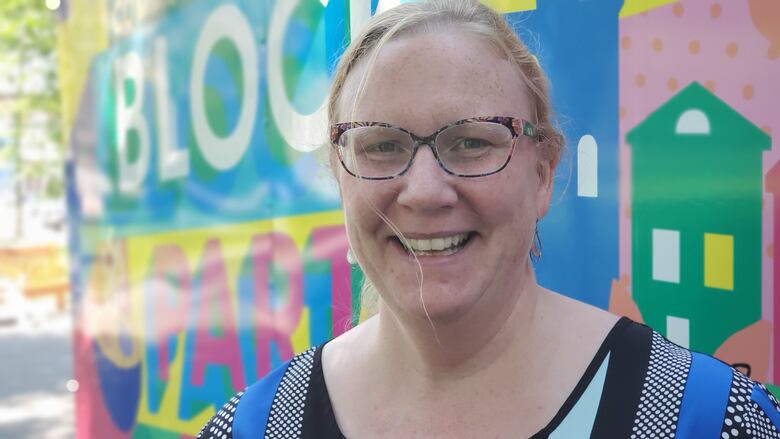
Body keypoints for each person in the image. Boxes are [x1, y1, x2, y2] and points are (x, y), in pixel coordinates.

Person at [198, 1, 780, 437]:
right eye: (380, 146)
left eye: (472, 142)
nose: (424, 192)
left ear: (543, 173)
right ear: (341, 175)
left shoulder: (698, 416)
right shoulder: (257, 426)